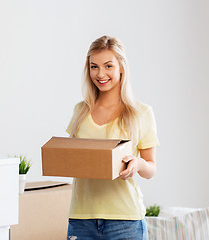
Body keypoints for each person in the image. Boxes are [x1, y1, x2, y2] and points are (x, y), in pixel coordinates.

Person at [66, 35, 159, 240]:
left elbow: (150, 168)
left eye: (108, 66)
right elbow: (71, 158)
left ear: (121, 68)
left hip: (125, 220)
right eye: (94, 66)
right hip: (82, 219)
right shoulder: (80, 111)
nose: (100, 74)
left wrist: (138, 163)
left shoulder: (140, 113)